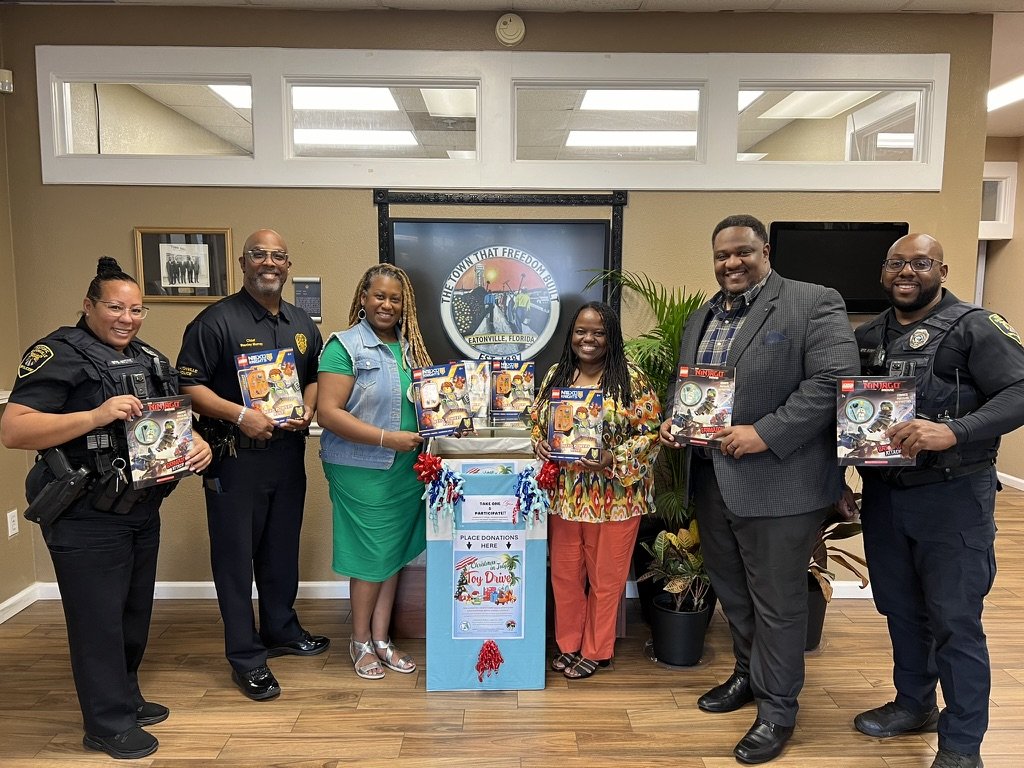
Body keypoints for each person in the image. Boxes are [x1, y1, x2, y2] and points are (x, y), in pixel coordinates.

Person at [659, 214, 859, 764]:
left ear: (765, 251)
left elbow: (831, 383)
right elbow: (692, 387)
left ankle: (778, 710)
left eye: (743, 252)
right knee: (733, 592)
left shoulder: (812, 301)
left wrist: (765, 434)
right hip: (714, 478)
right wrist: (679, 421)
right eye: (722, 255)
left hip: (780, 484)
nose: (732, 263)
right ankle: (747, 675)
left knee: (778, 603)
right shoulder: (702, 315)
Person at [0, 257, 213, 760]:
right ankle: (105, 724)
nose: (127, 318)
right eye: (115, 307)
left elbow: (169, 421)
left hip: (138, 507)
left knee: (133, 612)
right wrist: (94, 414)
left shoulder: (149, 358)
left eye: (136, 309)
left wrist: (196, 443)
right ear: (89, 305)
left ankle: (125, 697)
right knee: (97, 619)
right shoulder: (57, 354)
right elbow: (14, 429)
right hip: (83, 513)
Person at [851, 234, 1024, 768]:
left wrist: (956, 431)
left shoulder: (975, 326)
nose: (907, 272)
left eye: (920, 263)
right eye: (897, 264)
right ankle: (914, 704)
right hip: (886, 496)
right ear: (883, 273)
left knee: (955, 619)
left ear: (942, 270)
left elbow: (1020, 391)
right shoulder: (869, 335)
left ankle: (963, 743)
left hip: (953, 498)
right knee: (900, 610)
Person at [176, 229, 329, 702]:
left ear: (288, 264)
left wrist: (308, 407)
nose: (269, 262)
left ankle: (281, 629)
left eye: (278, 256)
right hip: (233, 461)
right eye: (259, 255)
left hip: (287, 457)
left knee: (281, 551)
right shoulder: (214, 322)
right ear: (243, 263)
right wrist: (241, 414)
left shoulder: (303, 323)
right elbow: (188, 387)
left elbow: (314, 379)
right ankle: (246, 656)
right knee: (235, 559)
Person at [531, 301, 662, 680]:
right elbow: (536, 421)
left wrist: (612, 457)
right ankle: (569, 644)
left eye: (598, 333)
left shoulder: (630, 379)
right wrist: (540, 441)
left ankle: (596, 649)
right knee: (565, 577)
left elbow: (651, 434)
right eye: (581, 331)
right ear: (571, 335)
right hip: (566, 496)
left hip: (616, 499)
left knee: (606, 581)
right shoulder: (558, 375)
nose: (588, 340)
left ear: (611, 337)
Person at [318, 263, 432, 680]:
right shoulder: (343, 347)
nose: (387, 304)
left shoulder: (411, 348)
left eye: (395, 298)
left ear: (405, 306)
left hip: (405, 470)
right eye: (379, 296)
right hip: (361, 468)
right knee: (370, 558)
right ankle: (359, 640)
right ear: (363, 299)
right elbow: (327, 414)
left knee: (392, 557)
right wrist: (389, 438)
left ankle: (382, 639)